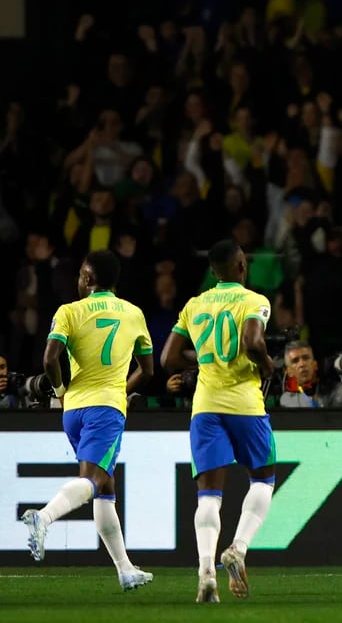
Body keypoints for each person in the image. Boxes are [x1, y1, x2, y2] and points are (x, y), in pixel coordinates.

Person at [20, 250, 155, 590]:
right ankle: (43, 517)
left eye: (81, 274)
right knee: (95, 479)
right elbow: (148, 370)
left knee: (105, 487)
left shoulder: (68, 311)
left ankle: (125, 569)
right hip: (107, 408)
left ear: (89, 279)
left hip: (73, 410)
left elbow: (50, 358)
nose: (78, 280)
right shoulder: (134, 313)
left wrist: (61, 389)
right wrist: (121, 391)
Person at [162, 239, 277, 604]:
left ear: (213, 271)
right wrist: (268, 367)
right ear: (242, 266)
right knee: (263, 478)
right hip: (245, 402)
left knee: (209, 495)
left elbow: (168, 358)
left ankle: (206, 574)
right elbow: (254, 341)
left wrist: (201, 366)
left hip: (206, 406)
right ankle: (238, 549)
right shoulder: (254, 301)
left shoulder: (194, 305)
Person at [277, 340, 342, 408]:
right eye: (295, 361)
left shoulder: (337, 390)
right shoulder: (287, 401)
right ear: (289, 372)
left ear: (315, 365)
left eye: (306, 358)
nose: (302, 364)